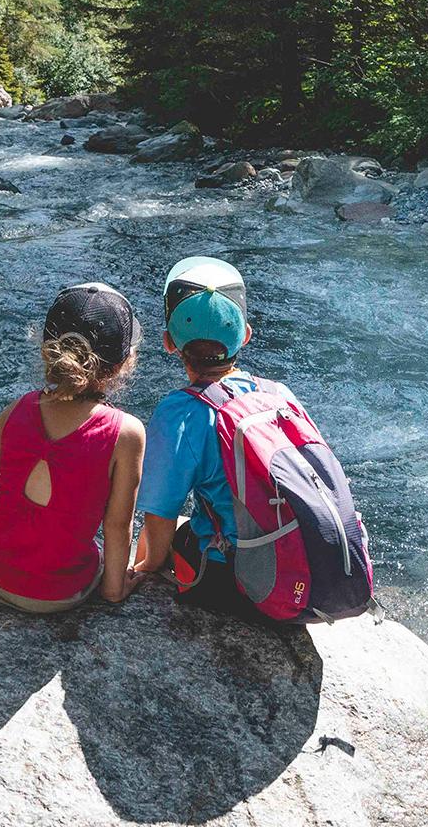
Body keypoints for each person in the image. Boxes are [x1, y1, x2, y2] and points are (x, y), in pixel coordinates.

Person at [0, 283, 146, 612]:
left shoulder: (16, 411)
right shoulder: (126, 433)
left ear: (47, 350)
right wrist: (114, 590)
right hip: (63, 592)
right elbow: (118, 525)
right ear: (121, 365)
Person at [131, 256, 278, 616]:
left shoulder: (180, 412)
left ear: (168, 342)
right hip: (290, 565)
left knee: (152, 535)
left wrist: (149, 567)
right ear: (245, 335)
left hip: (232, 580)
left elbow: (161, 511)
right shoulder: (277, 393)